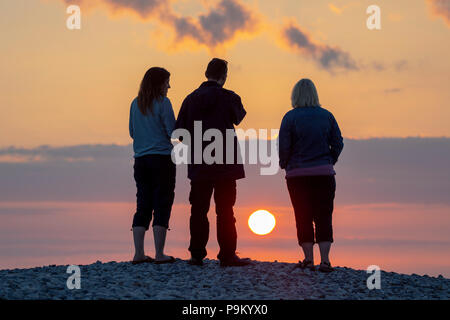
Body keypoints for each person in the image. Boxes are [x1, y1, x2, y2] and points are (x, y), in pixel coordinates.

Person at [175, 58, 251, 267]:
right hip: (225, 164)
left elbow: (180, 134)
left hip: (200, 164)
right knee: (226, 210)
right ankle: (227, 255)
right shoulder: (229, 97)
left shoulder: (190, 99)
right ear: (224, 75)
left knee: (198, 210)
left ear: (205, 73)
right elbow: (239, 117)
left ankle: (197, 255)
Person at [278, 79, 344, 273]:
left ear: (295, 95)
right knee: (324, 215)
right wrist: (330, 159)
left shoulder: (289, 117)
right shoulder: (327, 116)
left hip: (297, 174)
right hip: (324, 173)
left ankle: (308, 259)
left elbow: (283, 145)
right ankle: (325, 261)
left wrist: (285, 164)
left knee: (303, 216)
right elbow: (338, 142)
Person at [129, 67, 177, 264]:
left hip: (141, 160)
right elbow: (173, 132)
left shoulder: (135, 103)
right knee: (162, 203)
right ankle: (159, 254)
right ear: (159, 83)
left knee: (143, 204)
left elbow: (132, 131)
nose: (169, 86)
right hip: (162, 159)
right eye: (167, 82)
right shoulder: (163, 103)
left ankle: (138, 253)